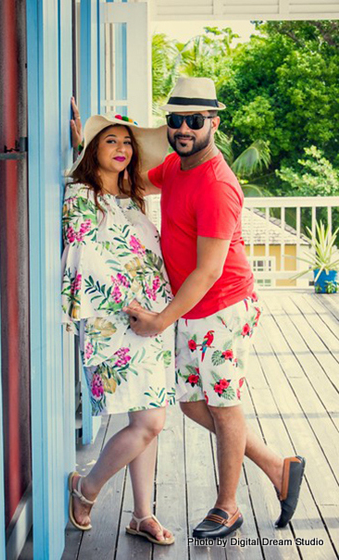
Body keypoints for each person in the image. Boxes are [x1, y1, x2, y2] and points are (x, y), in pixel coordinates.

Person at [123, 77, 306, 539]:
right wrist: (89, 137)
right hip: (192, 308)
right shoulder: (176, 166)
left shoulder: (216, 184)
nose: (183, 128)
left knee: (223, 407)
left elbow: (207, 271)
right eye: (175, 120)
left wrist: (160, 320)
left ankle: (228, 506)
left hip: (222, 306)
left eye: (195, 120)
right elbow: (143, 154)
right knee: (191, 404)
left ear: (214, 123)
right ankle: (276, 465)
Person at [62, 100, 178, 545]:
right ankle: (86, 488)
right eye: (110, 140)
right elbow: (87, 258)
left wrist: (160, 313)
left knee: (143, 421)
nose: (122, 147)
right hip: (119, 323)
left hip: (152, 323)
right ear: (92, 151)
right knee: (148, 423)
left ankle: (142, 515)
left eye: (127, 142)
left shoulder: (133, 199)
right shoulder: (80, 195)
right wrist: (137, 308)